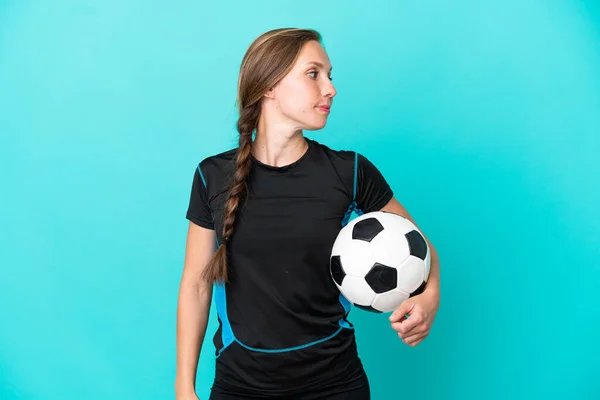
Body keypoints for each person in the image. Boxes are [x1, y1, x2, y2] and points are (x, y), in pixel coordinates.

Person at [175, 28, 441, 400]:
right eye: (313, 74)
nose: (330, 88)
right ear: (269, 85)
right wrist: (183, 387)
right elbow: (196, 285)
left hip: (335, 385)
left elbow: (420, 246)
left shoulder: (348, 172)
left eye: (330, 76)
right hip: (241, 388)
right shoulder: (211, 176)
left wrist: (429, 298)